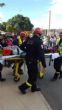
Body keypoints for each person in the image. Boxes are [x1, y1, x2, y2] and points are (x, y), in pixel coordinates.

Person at [18, 27, 46, 94]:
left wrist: (27, 51)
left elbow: (21, 46)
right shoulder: (39, 41)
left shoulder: (29, 39)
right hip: (33, 61)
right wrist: (44, 64)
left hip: (28, 60)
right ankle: (22, 87)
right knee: (33, 77)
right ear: (39, 33)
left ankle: (34, 88)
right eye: (41, 33)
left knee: (32, 75)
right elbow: (41, 54)